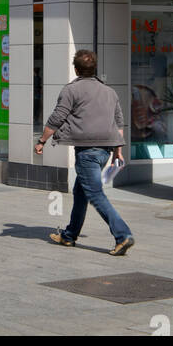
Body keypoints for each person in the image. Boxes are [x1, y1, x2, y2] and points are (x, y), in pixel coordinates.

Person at [38, 49, 134, 256]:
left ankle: (122, 234)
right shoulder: (110, 92)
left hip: (88, 152)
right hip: (105, 151)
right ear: (94, 68)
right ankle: (69, 235)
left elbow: (57, 118)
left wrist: (42, 140)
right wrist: (118, 151)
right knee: (81, 192)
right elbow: (118, 123)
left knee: (95, 194)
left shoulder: (71, 90)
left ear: (76, 69)